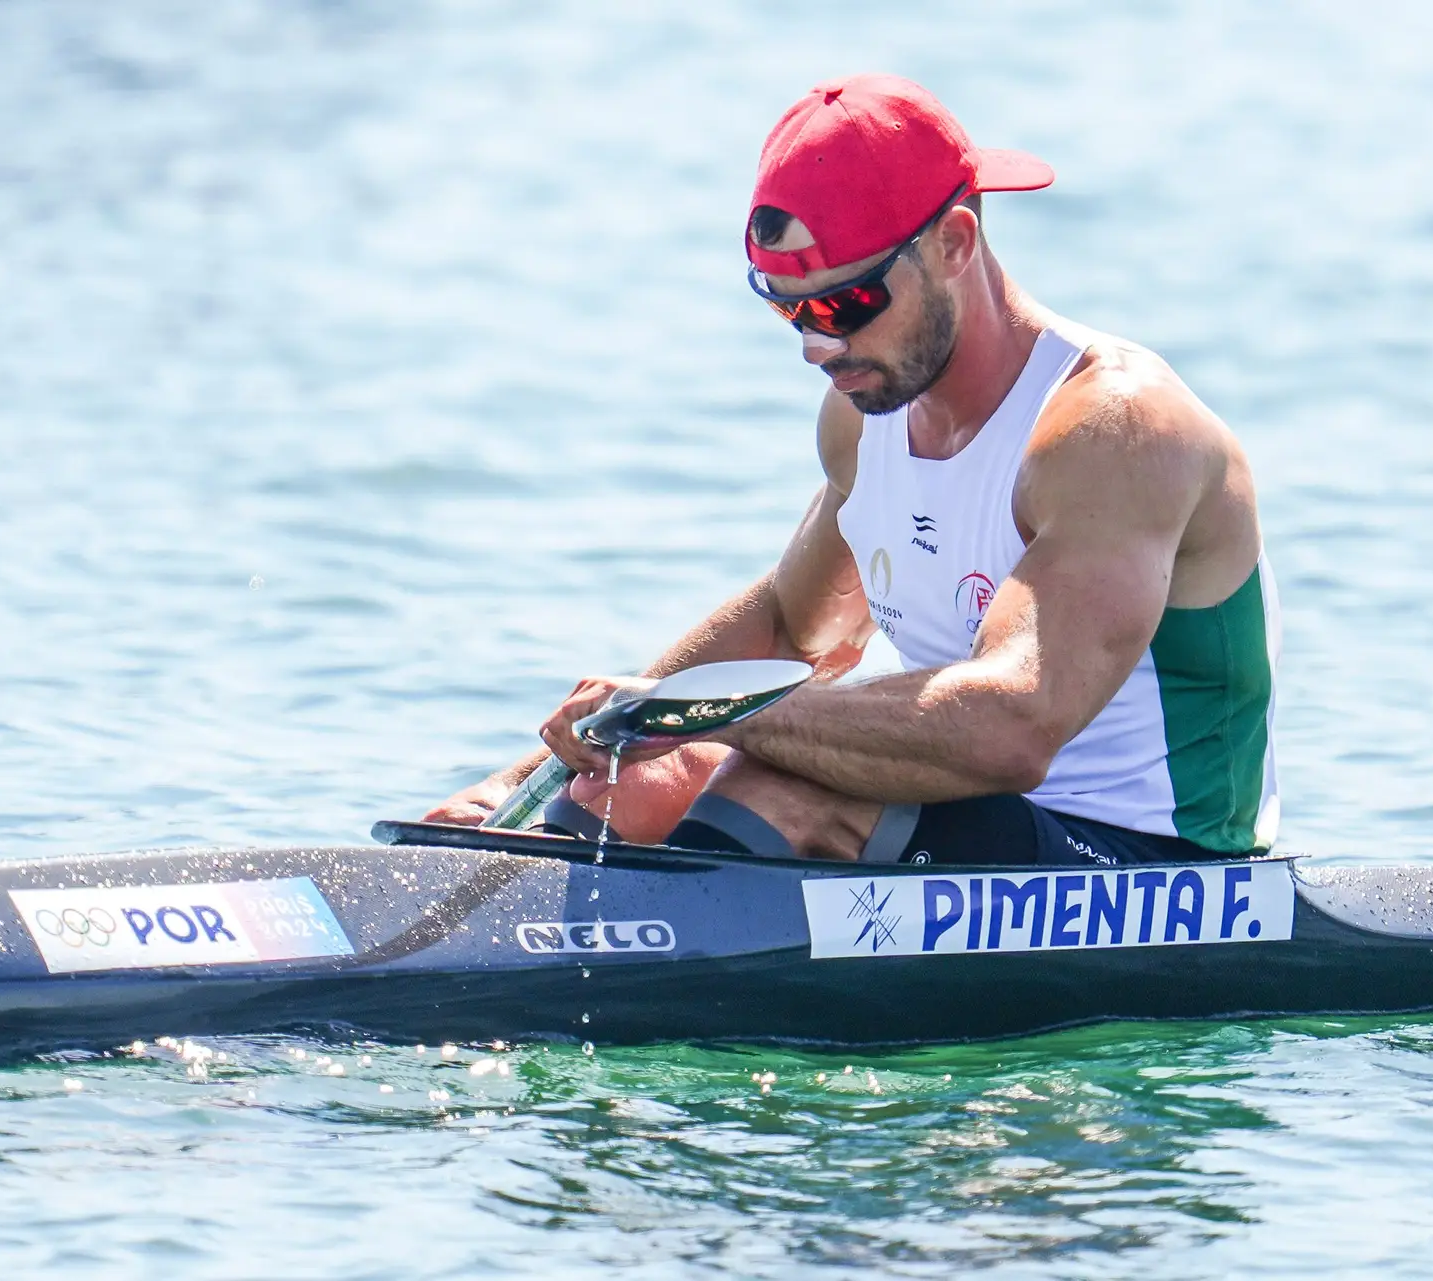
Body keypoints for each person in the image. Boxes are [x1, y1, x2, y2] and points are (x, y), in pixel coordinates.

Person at [426, 73, 1279, 867]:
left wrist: (704, 714)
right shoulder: (864, 412)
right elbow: (792, 632)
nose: (815, 345)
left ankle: (640, 990)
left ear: (954, 242)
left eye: (843, 305)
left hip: (1146, 867)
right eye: (788, 307)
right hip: (970, 823)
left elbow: (1013, 730)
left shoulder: (1116, 434)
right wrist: (533, 775)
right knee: (626, 780)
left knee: (778, 781)